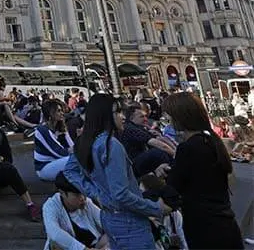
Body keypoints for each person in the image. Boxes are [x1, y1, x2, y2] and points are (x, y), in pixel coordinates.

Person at [64, 93, 171, 250]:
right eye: (118, 112)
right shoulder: (111, 145)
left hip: (110, 218)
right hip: (129, 221)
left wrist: (97, 193)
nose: (122, 117)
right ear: (105, 116)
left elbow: (70, 171)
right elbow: (121, 194)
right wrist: (156, 208)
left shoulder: (86, 142)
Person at [160, 92, 243, 250]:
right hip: (224, 223)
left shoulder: (188, 148)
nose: (169, 122)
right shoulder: (210, 141)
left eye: (170, 118)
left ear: (180, 118)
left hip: (204, 227)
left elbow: (172, 189)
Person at [42, 172, 107, 250]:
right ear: (62, 193)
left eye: (83, 193)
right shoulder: (51, 205)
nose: (82, 198)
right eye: (77, 195)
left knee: (112, 235)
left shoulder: (87, 202)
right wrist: (83, 249)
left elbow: (106, 222)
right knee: (55, 244)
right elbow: (54, 233)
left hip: (94, 246)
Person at [119, 102, 175, 177]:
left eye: (145, 116)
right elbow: (160, 145)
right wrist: (176, 155)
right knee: (158, 152)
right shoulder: (130, 128)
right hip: (133, 165)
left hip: (141, 161)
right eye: (142, 117)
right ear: (131, 118)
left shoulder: (141, 127)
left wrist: (175, 149)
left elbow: (160, 140)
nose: (146, 119)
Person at [34, 99, 74, 181]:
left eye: (62, 110)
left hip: (58, 161)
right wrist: (74, 150)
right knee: (76, 161)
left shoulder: (60, 127)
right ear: (50, 113)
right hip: (44, 167)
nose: (62, 113)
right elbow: (59, 153)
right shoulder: (41, 130)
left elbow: (72, 146)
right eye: (58, 111)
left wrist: (65, 133)